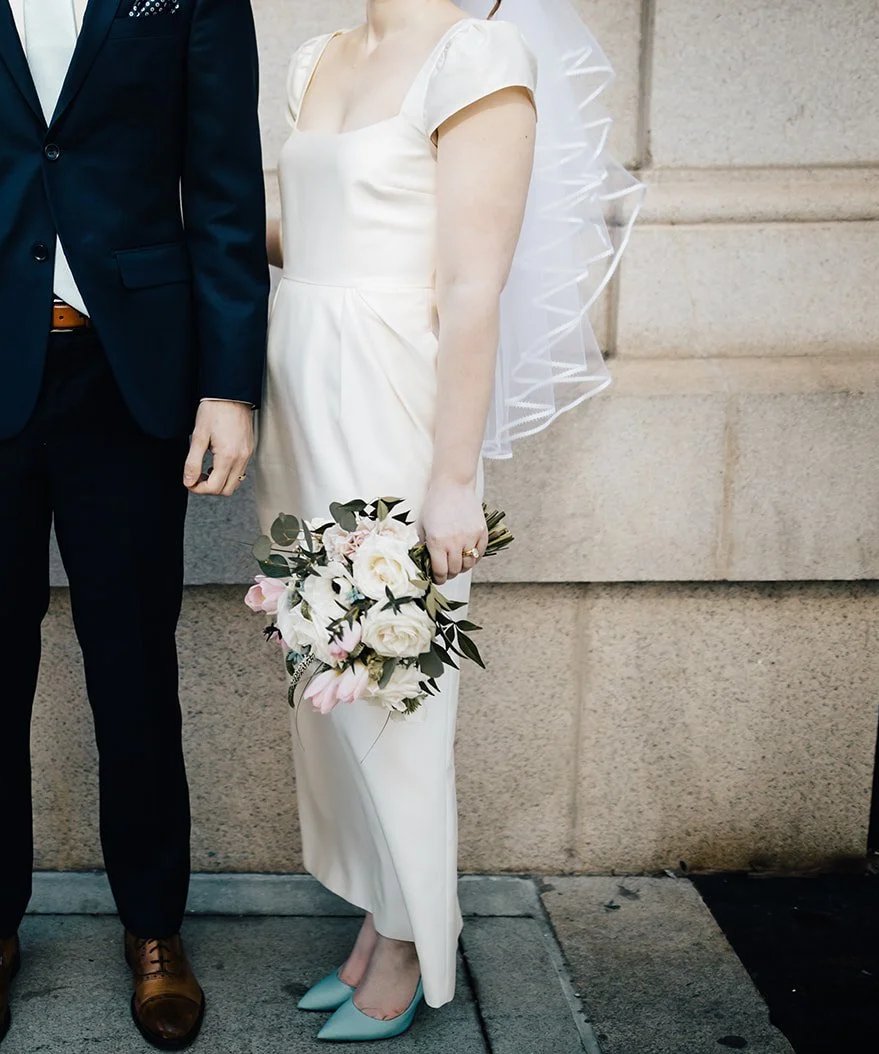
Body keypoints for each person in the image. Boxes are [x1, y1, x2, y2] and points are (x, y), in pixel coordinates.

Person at [0, 1, 267, 1050]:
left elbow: (222, 188)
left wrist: (230, 385)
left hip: (129, 382)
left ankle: (155, 930)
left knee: (134, 668)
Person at [256, 0, 640, 1041]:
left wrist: (452, 479)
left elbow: (474, 284)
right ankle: (381, 918)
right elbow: (314, 223)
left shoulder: (476, 57)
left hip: (392, 398)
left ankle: (420, 942)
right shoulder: (317, 59)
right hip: (301, 393)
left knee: (399, 689)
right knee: (333, 672)